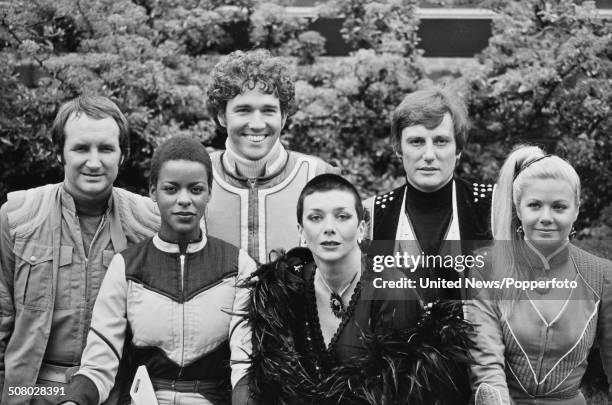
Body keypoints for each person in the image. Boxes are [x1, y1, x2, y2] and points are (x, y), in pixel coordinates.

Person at [236, 174, 473, 404]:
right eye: (316, 218)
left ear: (362, 227)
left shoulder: (391, 290)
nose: (329, 228)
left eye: (342, 216)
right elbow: (270, 383)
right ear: (301, 231)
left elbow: (400, 394)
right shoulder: (285, 289)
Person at [58, 136, 256, 405]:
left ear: (210, 192)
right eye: (171, 189)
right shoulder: (126, 266)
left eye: (196, 189)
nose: (184, 200)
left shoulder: (238, 266)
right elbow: (99, 363)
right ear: (153, 191)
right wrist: (73, 401)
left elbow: (244, 365)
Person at [0, 96, 159, 404]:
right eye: (81, 148)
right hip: (33, 390)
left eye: (106, 149)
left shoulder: (148, 223)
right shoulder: (17, 217)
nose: (94, 161)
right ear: (60, 152)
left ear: (123, 155)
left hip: (115, 392)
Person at [465, 145, 612, 404]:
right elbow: (486, 364)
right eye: (534, 205)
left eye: (559, 207)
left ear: (576, 210)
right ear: (518, 209)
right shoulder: (485, 266)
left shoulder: (601, 274)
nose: (546, 217)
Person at [205, 49, 339, 264]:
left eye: (268, 110)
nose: (257, 124)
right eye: (243, 110)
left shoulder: (320, 177)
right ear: (222, 115)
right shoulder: (198, 176)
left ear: (284, 116)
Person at [363, 87, 493, 303]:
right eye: (417, 142)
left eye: (441, 141)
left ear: (458, 148)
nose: (429, 155)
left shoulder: (492, 208)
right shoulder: (372, 216)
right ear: (398, 148)